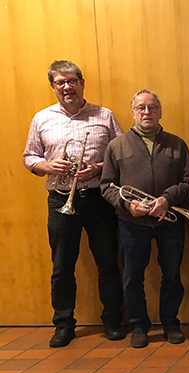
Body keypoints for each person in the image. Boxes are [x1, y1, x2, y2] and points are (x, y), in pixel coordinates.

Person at [22, 60, 124, 347]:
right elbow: (29, 156)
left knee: (107, 262)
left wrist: (99, 167)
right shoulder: (41, 118)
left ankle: (113, 321)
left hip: (98, 199)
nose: (66, 87)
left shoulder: (104, 115)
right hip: (60, 201)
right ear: (53, 87)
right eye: (60, 82)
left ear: (82, 82)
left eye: (71, 81)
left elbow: (121, 155)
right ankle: (64, 324)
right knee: (62, 266)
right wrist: (47, 164)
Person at [100, 90, 189, 348]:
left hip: (170, 221)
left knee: (172, 275)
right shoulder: (116, 146)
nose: (147, 112)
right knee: (132, 277)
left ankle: (171, 324)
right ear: (133, 113)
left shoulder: (177, 143)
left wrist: (167, 199)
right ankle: (139, 325)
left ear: (160, 111)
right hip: (132, 223)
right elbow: (106, 185)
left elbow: (187, 182)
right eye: (141, 108)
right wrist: (128, 205)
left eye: (152, 107)